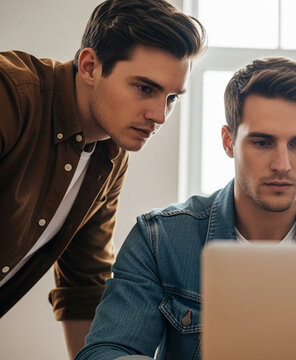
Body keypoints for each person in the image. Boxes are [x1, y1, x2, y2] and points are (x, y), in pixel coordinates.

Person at [75, 57, 296, 359]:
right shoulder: (161, 240)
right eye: (262, 142)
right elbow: (106, 351)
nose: (283, 165)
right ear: (228, 142)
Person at [0, 0, 206, 357]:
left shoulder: (110, 157)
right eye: (144, 88)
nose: (159, 115)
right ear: (91, 66)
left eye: (171, 98)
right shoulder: (11, 95)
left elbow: (84, 282)